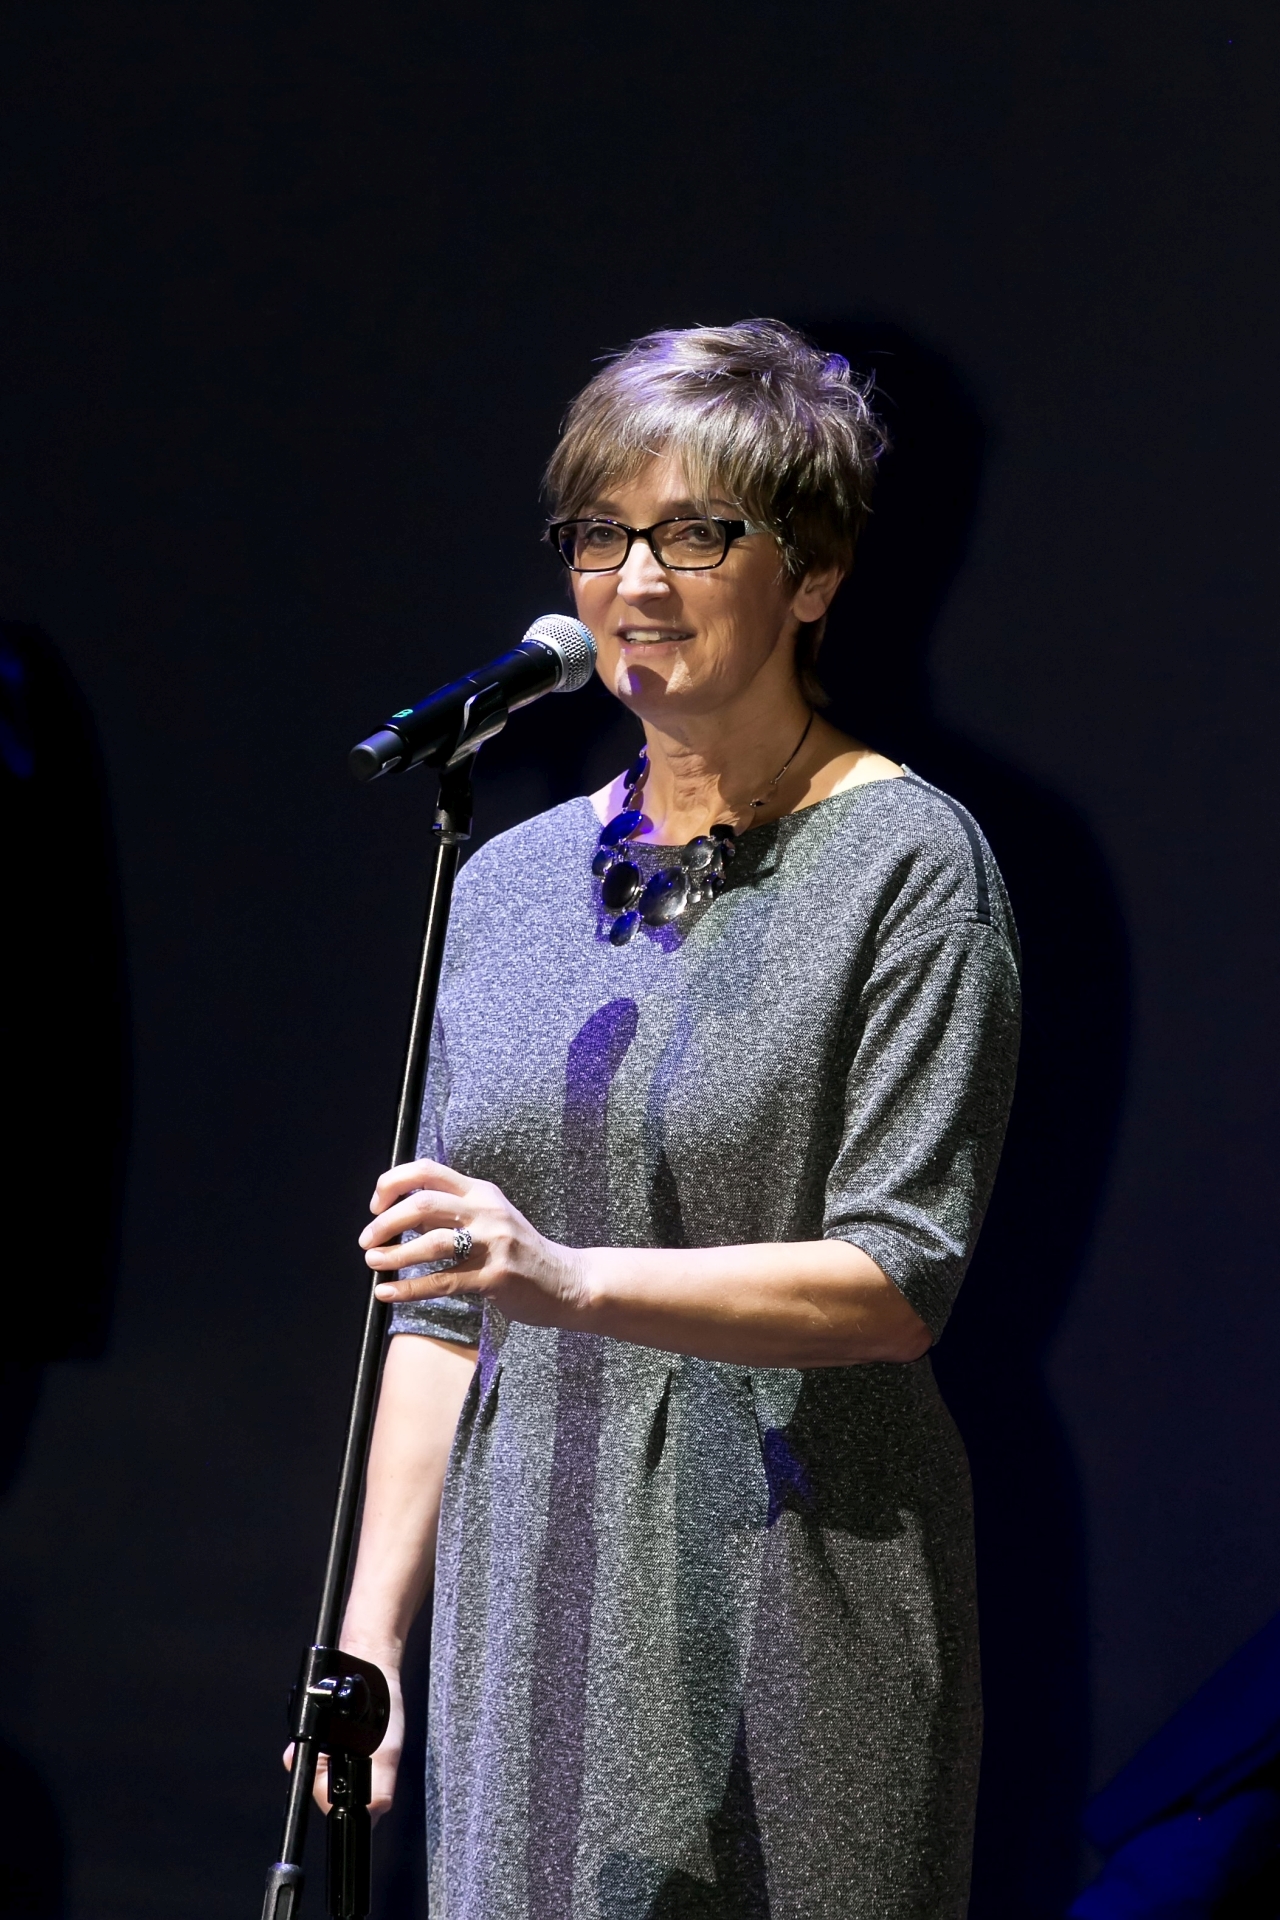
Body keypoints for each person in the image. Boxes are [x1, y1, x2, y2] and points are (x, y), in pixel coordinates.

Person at [328, 320, 1020, 1918]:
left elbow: (896, 1279)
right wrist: (373, 1644)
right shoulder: (505, 886)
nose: (636, 581)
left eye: (696, 534)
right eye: (601, 535)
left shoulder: (913, 866)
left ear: (814, 574)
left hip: (793, 1571)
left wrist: (567, 1278)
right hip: (529, 1580)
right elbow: (440, 1305)